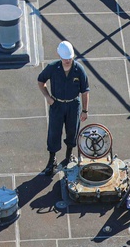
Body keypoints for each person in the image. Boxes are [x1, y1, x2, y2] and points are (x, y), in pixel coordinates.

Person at [37, 40, 90, 174]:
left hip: (73, 105)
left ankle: (68, 156)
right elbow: (41, 80)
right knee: (54, 132)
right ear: (60, 56)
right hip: (57, 105)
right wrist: (48, 97)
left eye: (70, 58)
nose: (67, 61)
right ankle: (52, 159)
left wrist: (84, 110)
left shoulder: (79, 70)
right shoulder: (53, 68)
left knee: (72, 131)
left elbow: (85, 91)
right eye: (65, 58)